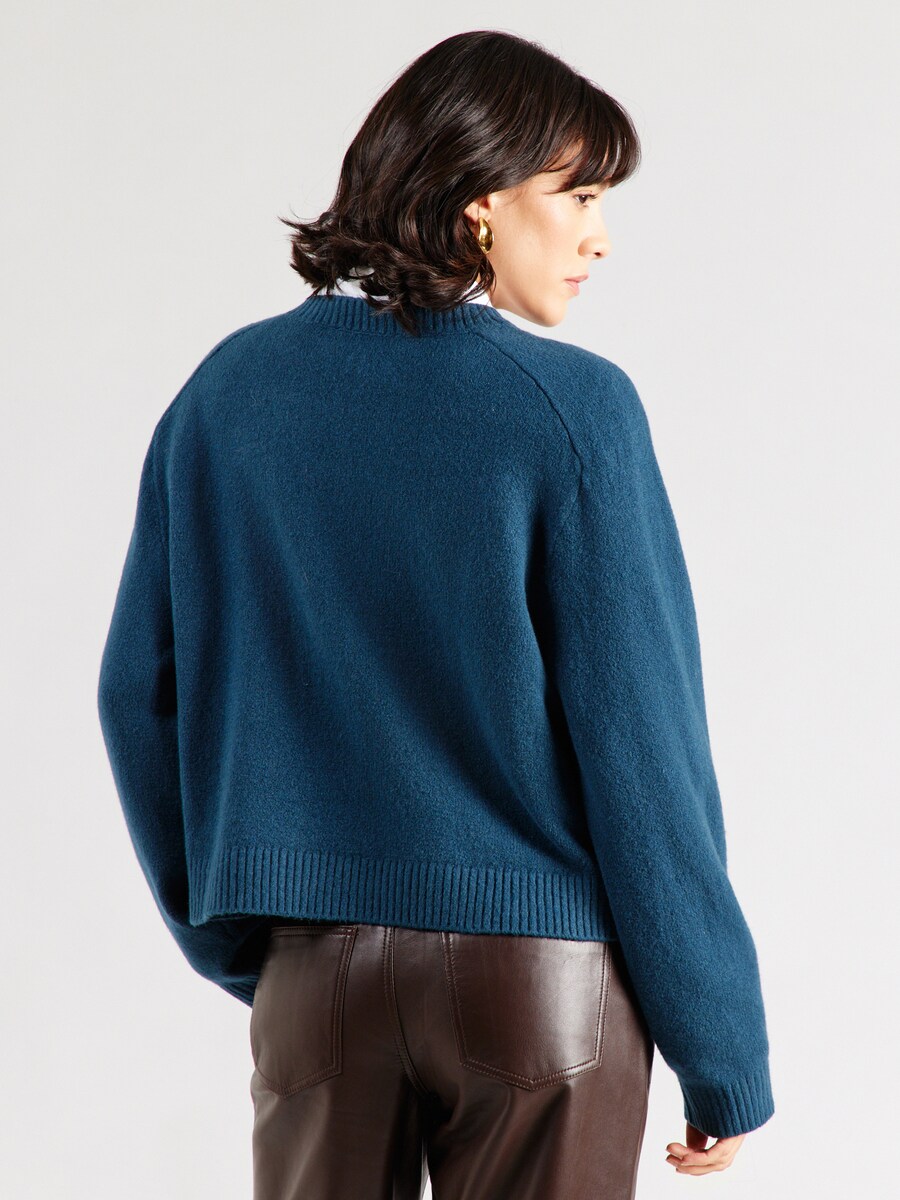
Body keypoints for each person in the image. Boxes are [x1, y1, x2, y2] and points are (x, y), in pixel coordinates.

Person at [97, 28, 774, 1199]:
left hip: (317, 979)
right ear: (481, 202)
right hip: (538, 989)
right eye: (579, 197)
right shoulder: (571, 411)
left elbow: (136, 696)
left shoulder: (226, 396)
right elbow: (642, 750)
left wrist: (253, 937)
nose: (600, 235)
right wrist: (722, 1047)